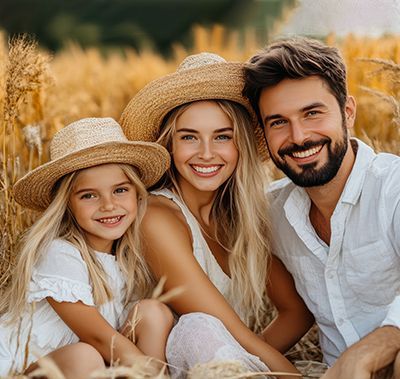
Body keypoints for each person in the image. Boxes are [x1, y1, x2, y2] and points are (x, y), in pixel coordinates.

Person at [119, 52, 314, 378]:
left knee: (206, 334)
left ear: (242, 145)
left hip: (207, 368)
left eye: (223, 136)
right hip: (149, 367)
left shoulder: (239, 220)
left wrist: (234, 360)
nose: (206, 153)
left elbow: (297, 311)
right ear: (169, 144)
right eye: (189, 137)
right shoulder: (156, 216)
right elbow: (228, 329)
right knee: (198, 327)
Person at [242, 36, 400, 379]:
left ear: (347, 112)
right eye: (278, 122)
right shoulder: (270, 214)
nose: (298, 137)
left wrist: (366, 354)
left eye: (312, 113)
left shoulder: (393, 188)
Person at [0, 117, 173, 378]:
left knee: (154, 312)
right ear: (67, 203)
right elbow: (99, 338)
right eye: (89, 195)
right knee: (85, 355)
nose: (108, 205)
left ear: (137, 194)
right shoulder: (60, 252)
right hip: (23, 368)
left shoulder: (129, 260)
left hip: (96, 368)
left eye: (120, 190)